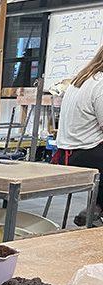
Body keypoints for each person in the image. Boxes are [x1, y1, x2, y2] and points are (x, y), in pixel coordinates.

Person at [55, 46, 103, 226]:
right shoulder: (100, 83)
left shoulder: (83, 78)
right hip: (82, 155)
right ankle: (96, 209)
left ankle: (96, 207)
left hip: (68, 152)